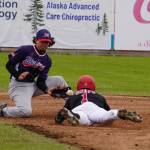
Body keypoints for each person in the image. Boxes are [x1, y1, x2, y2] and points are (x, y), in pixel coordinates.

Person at [0, 28, 73, 118]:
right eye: (42, 41)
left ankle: (72, 106)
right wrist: (17, 75)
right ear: (36, 40)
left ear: (50, 43)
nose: (44, 44)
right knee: (25, 111)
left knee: (59, 80)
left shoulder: (47, 60)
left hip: (33, 85)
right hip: (18, 86)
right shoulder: (25, 50)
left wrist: (47, 91)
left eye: (47, 42)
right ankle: (2, 110)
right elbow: (9, 65)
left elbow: (40, 81)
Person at [55, 75, 143, 126]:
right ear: (93, 86)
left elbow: (61, 116)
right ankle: (118, 113)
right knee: (105, 116)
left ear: (78, 86)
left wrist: (59, 120)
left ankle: (73, 115)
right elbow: (108, 115)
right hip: (94, 108)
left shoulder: (72, 97)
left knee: (82, 120)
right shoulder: (99, 96)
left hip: (79, 109)